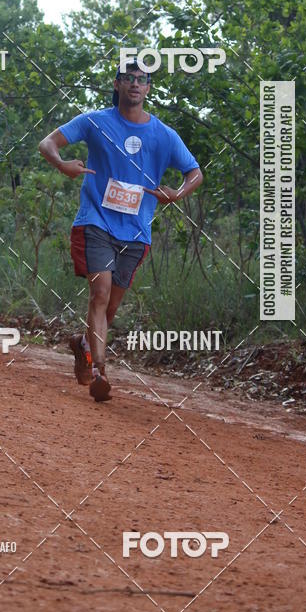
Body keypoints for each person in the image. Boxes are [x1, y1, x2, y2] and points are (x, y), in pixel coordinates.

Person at [39, 62, 203, 402]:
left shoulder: (164, 135)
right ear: (117, 84)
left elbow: (195, 173)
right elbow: (47, 143)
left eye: (142, 80)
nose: (135, 84)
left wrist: (177, 194)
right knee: (99, 294)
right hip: (96, 222)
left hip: (136, 233)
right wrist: (62, 164)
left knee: (110, 309)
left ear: (148, 88)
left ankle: (83, 346)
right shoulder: (95, 122)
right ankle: (99, 371)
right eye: (128, 78)